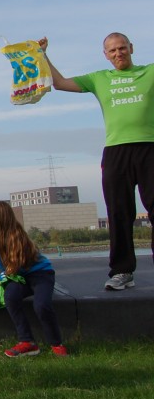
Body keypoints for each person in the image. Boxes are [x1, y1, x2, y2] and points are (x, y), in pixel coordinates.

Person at [39, 34, 154, 291]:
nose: (118, 53)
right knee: (118, 212)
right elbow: (59, 83)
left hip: (149, 147)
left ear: (131, 48)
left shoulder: (150, 72)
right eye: (112, 50)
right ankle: (123, 271)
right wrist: (43, 54)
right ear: (106, 54)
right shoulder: (99, 78)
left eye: (122, 48)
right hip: (116, 151)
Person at [0, 201, 67, 358]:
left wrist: (0, 278)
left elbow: (17, 264)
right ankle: (27, 342)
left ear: (1, 219)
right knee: (10, 296)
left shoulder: (16, 236)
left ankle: (56, 344)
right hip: (18, 278)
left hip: (40, 275)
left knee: (41, 305)